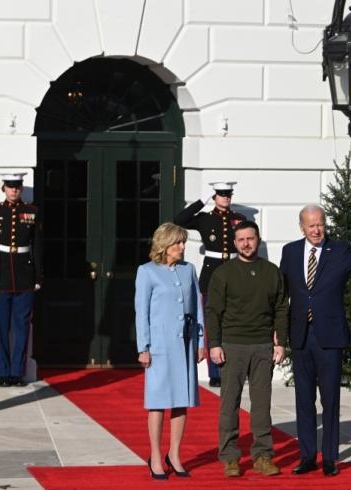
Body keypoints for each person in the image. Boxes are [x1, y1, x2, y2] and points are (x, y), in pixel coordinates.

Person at [279, 204, 351, 476]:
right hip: (300, 336)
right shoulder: (290, 251)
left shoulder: (341, 250)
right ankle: (307, 455)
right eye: (311, 225)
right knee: (303, 400)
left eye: (320, 223)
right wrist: (279, 331)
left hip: (329, 337)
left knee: (330, 399)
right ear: (302, 228)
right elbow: (282, 293)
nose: (317, 229)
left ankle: (330, 458)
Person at [206, 220, 288, 478]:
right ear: (235, 243)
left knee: (262, 405)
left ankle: (263, 456)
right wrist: (214, 344)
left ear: (258, 240)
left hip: (263, 346)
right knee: (229, 404)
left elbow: (281, 309)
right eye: (241, 239)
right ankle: (230, 457)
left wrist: (281, 342)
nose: (246, 244)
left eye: (250, 239)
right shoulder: (223, 273)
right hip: (232, 347)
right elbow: (213, 312)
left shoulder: (272, 272)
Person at [134, 223, 206, 480]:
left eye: (183, 242)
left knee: (181, 401)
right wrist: (143, 347)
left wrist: (200, 343)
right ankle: (155, 455)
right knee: (157, 402)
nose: (183, 247)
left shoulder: (189, 270)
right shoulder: (147, 272)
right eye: (178, 243)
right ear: (164, 245)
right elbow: (141, 312)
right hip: (160, 347)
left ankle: (174, 454)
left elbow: (197, 308)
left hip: (185, 345)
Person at [174, 181, 245, 387]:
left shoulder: (239, 219)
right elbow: (180, 219)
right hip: (211, 273)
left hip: (234, 272)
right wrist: (201, 200)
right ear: (215, 197)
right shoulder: (205, 219)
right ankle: (215, 373)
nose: (226, 198)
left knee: (234, 322)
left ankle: (234, 367)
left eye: (228, 195)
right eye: (221, 195)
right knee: (212, 322)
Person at [0, 173, 42, 387]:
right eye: (10, 187)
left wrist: (38, 276)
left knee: (21, 328)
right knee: (1, 327)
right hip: (1, 278)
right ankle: (4, 373)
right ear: (4, 188)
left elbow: (37, 246)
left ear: (21, 188)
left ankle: (17, 372)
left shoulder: (32, 211)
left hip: (25, 278)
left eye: (17, 187)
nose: (14, 190)